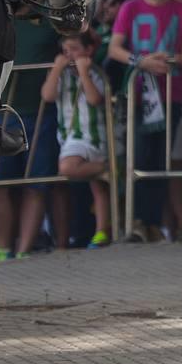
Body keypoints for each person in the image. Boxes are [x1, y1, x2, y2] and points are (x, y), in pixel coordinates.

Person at [109, 0, 182, 242]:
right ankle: (136, 220)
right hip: (140, 96)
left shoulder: (180, 10)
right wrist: (141, 61)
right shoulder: (131, 8)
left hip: (171, 93)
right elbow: (115, 48)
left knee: (160, 159)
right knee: (139, 155)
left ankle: (153, 222)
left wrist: (173, 60)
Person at [0, 0, 62, 260]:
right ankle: (4, 248)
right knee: (2, 183)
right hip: (3, 113)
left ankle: (23, 250)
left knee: (36, 183)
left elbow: (75, 32)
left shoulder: (47, 21)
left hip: (39, 114)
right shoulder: (0, 14)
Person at [41, 30, 110, 248]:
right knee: (98, 185)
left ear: (88, 51)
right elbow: (48, 96)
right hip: (69, 136)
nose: (69, 55)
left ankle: (104, 167)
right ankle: (101, 231)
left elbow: (94, 98)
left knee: (69, 169)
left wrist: (84, 73)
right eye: (65, 50)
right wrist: (56, 69)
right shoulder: (61, 76)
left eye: (74, 49)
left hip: (92, 136)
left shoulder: (96, 73)